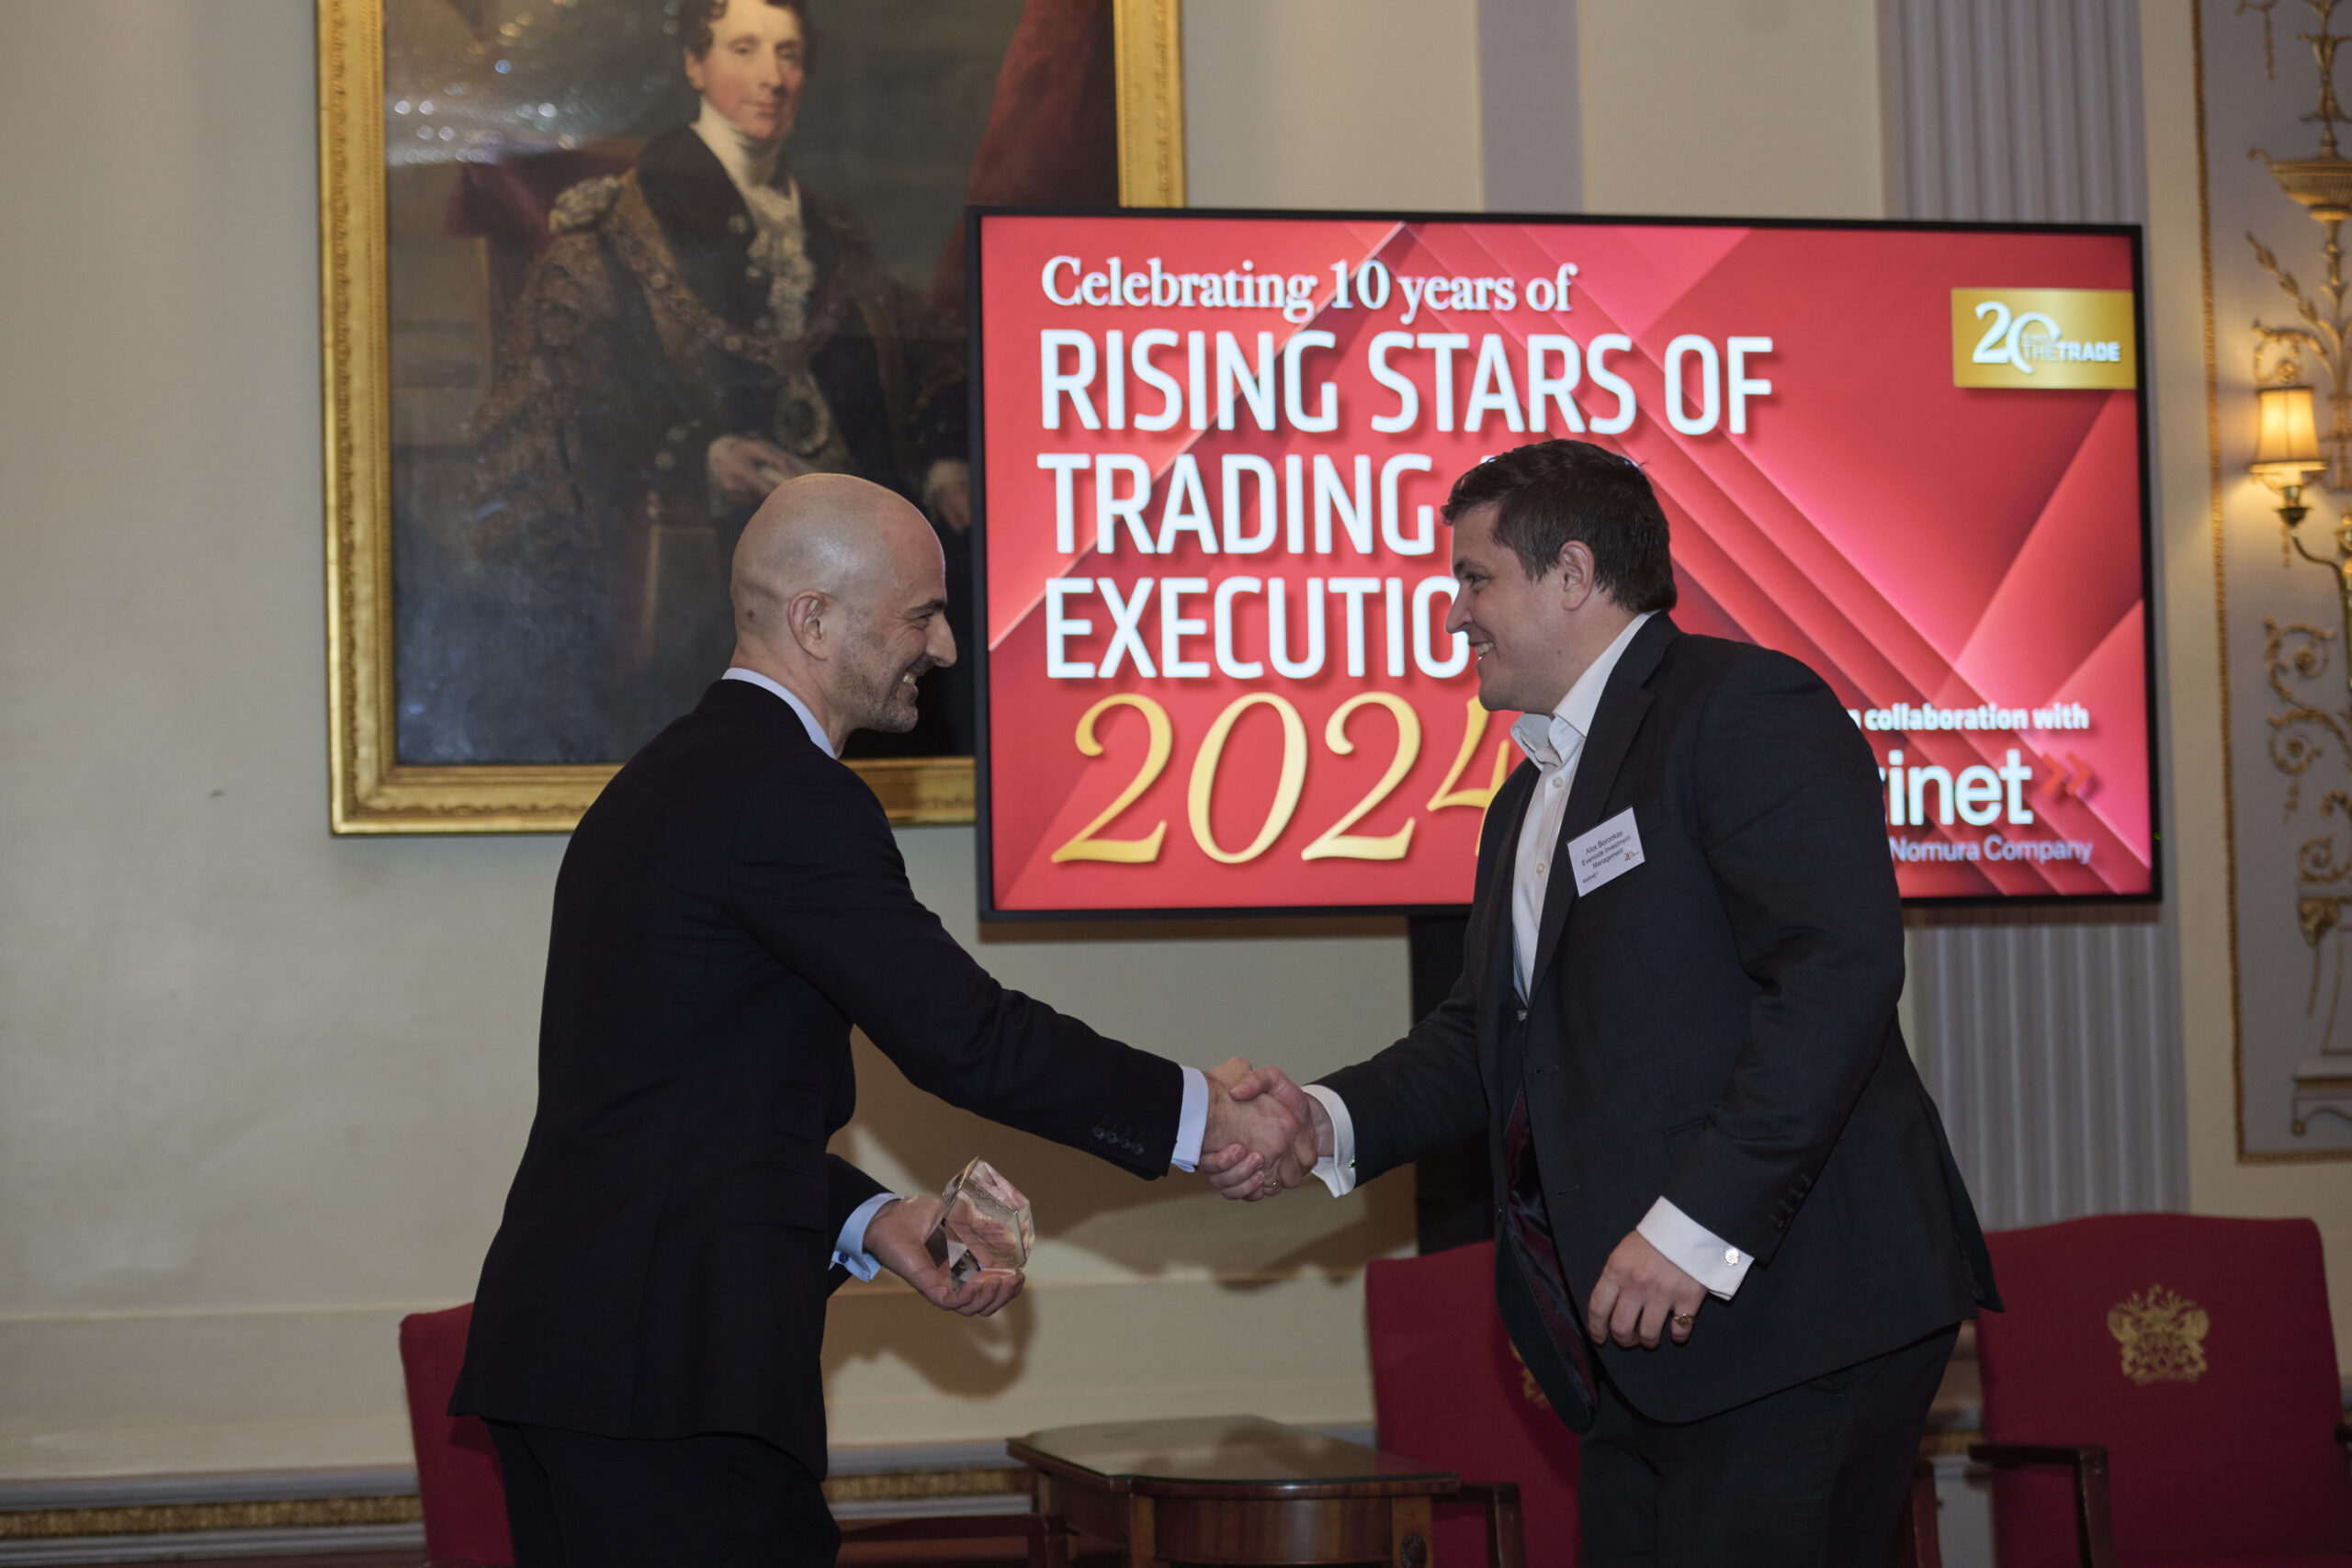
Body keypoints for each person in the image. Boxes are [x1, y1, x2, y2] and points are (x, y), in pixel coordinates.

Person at [453, 474, 1312, 1567]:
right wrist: (1205, 1119)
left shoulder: (661, 782)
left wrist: (870, 1220)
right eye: (921, 615)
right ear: (814, 620)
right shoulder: (787, 795)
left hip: (589, 1358)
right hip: (668, 1376)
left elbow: (676, 1110)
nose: (945, 648)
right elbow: (968, 1038)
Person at [1210, 440, 1998, 1564]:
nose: (1455, 615)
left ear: (1573, 575)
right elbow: (1486, 1038)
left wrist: (1693, 1227)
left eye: (1474, 579)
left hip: (1789, 1317)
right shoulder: (1526, 798)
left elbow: (1834, 977)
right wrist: (1322, 1123)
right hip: (1631, 1342)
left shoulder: (1741, 705)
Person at [460, 0, 973, 762]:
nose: (772, 77)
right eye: (744, 49)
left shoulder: (829, 234)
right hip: (710, 573)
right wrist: (699, 457)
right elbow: (566, 412)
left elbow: (925, 358)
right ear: (695, 65)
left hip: (854, 581)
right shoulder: (615, 237)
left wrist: (941, 456)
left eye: (789, 54)